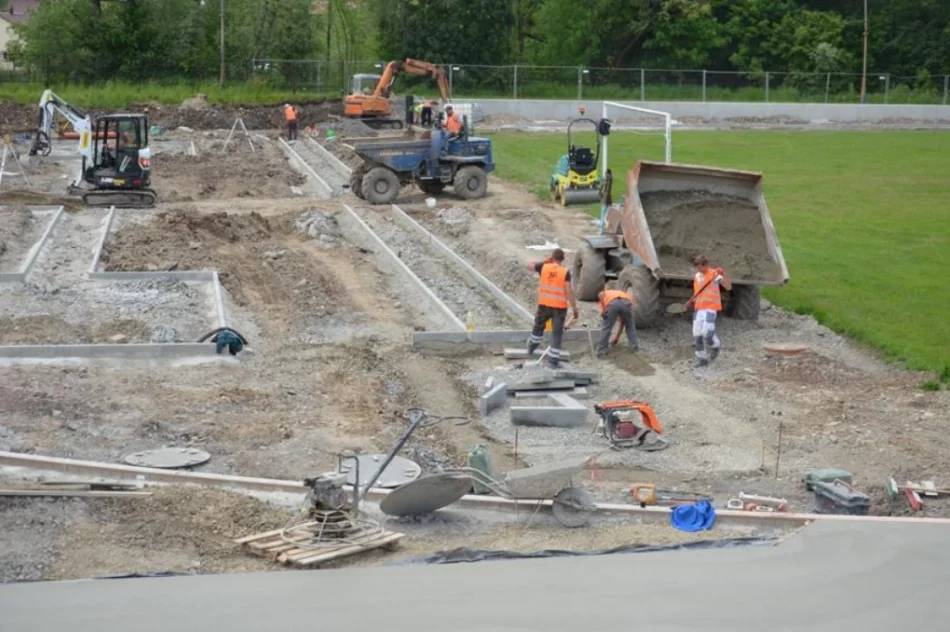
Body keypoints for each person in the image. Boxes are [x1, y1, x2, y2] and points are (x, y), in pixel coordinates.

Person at [525, 248, 579, 369]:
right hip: (559, 309)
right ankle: (553, 362)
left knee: (538, 328)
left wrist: (544, 261)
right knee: (556, 334)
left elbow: (528, 265)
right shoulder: (565, 272)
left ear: (552, 257)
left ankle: (531, 348)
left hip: (544, 305)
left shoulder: (543, 267)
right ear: (563, 259)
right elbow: (569, 291)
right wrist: (575, 309)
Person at [686, 254, 731, 369]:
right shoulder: (697, 276)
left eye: (700, 267)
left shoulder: (714, 275)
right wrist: (690, 302)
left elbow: (728, 287)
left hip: (711, 308)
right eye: (696, 267)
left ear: (705, 265)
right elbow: (698, 291)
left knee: (707, 334)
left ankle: (716, 345)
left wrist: (724, 274)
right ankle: (702, 359)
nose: (698, 270)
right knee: (697, 335)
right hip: (699, 308)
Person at [596, 287, 638, 357]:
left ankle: (601, 351)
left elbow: (600, 294)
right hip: (627, 304)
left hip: (613, 304)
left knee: (607, 327)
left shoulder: (605, 292)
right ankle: (634, 346)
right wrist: (616, 338)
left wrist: (604, 310)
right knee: (630, 325)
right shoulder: (621, 293)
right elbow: (622, 323)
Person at [599, 168, 613, 234]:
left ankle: (602, 229)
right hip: (608, 200)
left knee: (603, 215)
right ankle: (604, 225)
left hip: (605, 199)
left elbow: (602, 189)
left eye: (605, 174)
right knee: (606, 214)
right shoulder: (609, 180)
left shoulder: (606, 181)